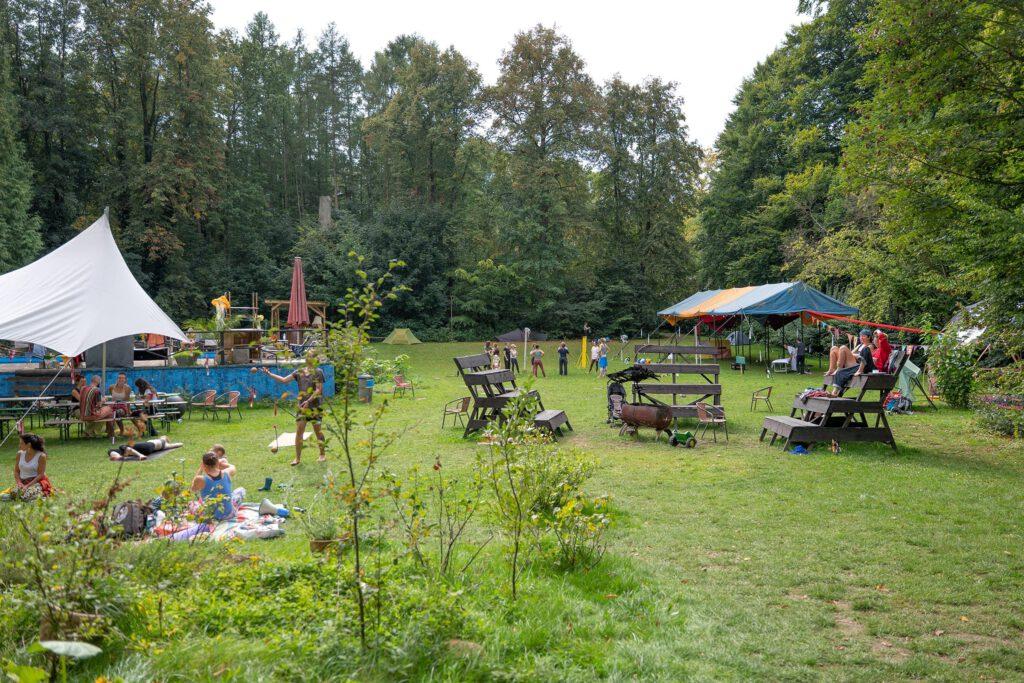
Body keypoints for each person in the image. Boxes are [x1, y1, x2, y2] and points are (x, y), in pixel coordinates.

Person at [258, 351, 327, 465]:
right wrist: (269, 374)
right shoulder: (299, 372)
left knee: (318, 431)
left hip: (315, 406)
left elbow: (319, 390)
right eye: (308, 356)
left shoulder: (318, 372)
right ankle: (297, 458)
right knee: (299, 431)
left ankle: (322, 454)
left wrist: (308, 401)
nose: (308, 357)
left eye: (311, 356)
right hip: (302, 407)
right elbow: (284, 380)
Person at [190, 451, 244, 522]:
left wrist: (200, 469)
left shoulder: (200, 479)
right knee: (241, 490)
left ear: (203, 465)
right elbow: (232, 467)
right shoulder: (227, 473)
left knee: (191, 504)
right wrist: (223, 463)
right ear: (217, 463)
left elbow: (193, 489)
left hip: (210, 518)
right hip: (229, 515)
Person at [825, 328, 875, 394]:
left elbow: (865, 358)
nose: (861, 338)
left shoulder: (870, 346)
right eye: (860, 336)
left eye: (863, 336)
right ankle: (831, 369)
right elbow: (852, 353)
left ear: (869, 337)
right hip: (851, 361)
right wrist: (850, 354)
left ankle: (838, 369)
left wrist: (852, 354)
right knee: (834, 348)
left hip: (857, 365)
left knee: (843, 348)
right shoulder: (860, 345)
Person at [11, 434, 52, 500]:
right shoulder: (19, 454)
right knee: (14, 493)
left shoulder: (41, 456)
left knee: (26, 496)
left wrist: (27, 486)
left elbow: (40, 475)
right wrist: (19, 483)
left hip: (36, 482)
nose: (19, 445)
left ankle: (41, 493)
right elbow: (16, 471)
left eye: (21, 443)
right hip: (22, 482)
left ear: (29, 445)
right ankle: (32, 495)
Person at [108, 435, 181, 461]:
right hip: (147, 450)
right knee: (112, 450)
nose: (161, 437)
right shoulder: (165, 445)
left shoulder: (163, 442)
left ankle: (140, 455)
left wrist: (165, 439)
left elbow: (178, 444)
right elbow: (178, 444)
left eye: (163, 436)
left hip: (146, 448)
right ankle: (118, 456)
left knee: (122, 446)